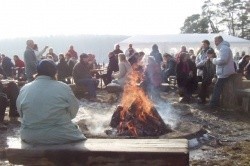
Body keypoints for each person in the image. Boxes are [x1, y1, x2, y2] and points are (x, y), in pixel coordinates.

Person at [16, 59, 86, 144]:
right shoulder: (63, 87)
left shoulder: (25, 88)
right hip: (62, 135)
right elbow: (74, 111)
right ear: (55, 72)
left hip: (30, 136)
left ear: (38, 72)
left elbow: (21, 113)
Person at [207, 36, 235, 108]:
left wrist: (213, 60)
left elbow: (223, 60)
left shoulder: (224, 48)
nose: (215, 42)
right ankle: (217, 103)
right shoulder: (222, 48)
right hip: (224, 71)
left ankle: (213, 104)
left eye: (216, 41)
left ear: (220, 41)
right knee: (219, 87)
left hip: (225, 72)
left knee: (217, 88)